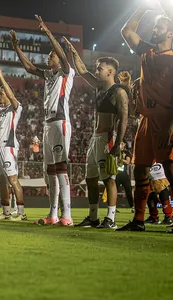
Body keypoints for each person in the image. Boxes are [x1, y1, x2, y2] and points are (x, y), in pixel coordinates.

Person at [10, 14, 74, 226]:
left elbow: (63, 56)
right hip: (48, 125)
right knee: (50, 173)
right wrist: (16, 48)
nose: (48, 58)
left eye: (51, 55)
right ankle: (53, 214)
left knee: (61, 168)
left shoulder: (66, 72)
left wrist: (47, 32)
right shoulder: (49, 75)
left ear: (60, 58)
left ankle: (68, 215)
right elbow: (29, 68)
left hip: (60, 122)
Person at [118, 2, 173, 231]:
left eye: (158, 28)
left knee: (169, 169)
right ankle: (139, 220)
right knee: (141, 169)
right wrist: (142, 8)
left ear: (169, 33)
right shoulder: (147, 51)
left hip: (165, 119)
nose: (154, 31)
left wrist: (170, 127)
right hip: (146, 120)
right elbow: (127, 32)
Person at [64, 38, 129, 229]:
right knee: (91, 179)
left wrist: (118, 144)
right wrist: (73, 52)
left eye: (100, 68)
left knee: (109, 179)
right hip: (95, 139)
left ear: (110, 71)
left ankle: (110, 219)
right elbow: (83, 71)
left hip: (109, 139)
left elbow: (124, 119)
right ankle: (93, 217)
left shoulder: (119, 92)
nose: (97, 70)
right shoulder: (100, 88)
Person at [0, 66, 26, 221]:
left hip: (8, 146)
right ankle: (6, 212)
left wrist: (1, 79)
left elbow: (12, 97)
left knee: (13, 180)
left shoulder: (15, 108)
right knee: (0, 181)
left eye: (1, 93)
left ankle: (21, 213)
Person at [116, 141, 134, 212]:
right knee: (114, 191)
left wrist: (120, 159)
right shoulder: (115, 151)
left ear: (124, 144)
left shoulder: (127, 152)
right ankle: (113, 207)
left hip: (124, 174)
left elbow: (127, 162)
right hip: (116, 174)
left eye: (122, 143)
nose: (121, 145)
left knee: (128, 190)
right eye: (120, 143)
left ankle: (132, 206)